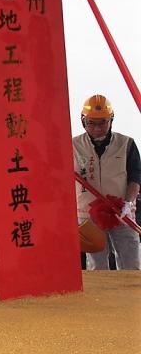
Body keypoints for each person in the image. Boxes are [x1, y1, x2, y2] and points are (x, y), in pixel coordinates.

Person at [73, 94, 140, 270]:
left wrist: (128, 203)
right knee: (97, 266)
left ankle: (130, 297)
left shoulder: (126, 144)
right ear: (83, 121)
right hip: (88, 216)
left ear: (111, 120)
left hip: (121, 213)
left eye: (102, 122)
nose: (97, 128)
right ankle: (98, 299)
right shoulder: (72, 146)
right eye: (91, 123)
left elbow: (135, 176)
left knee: (131, 261)